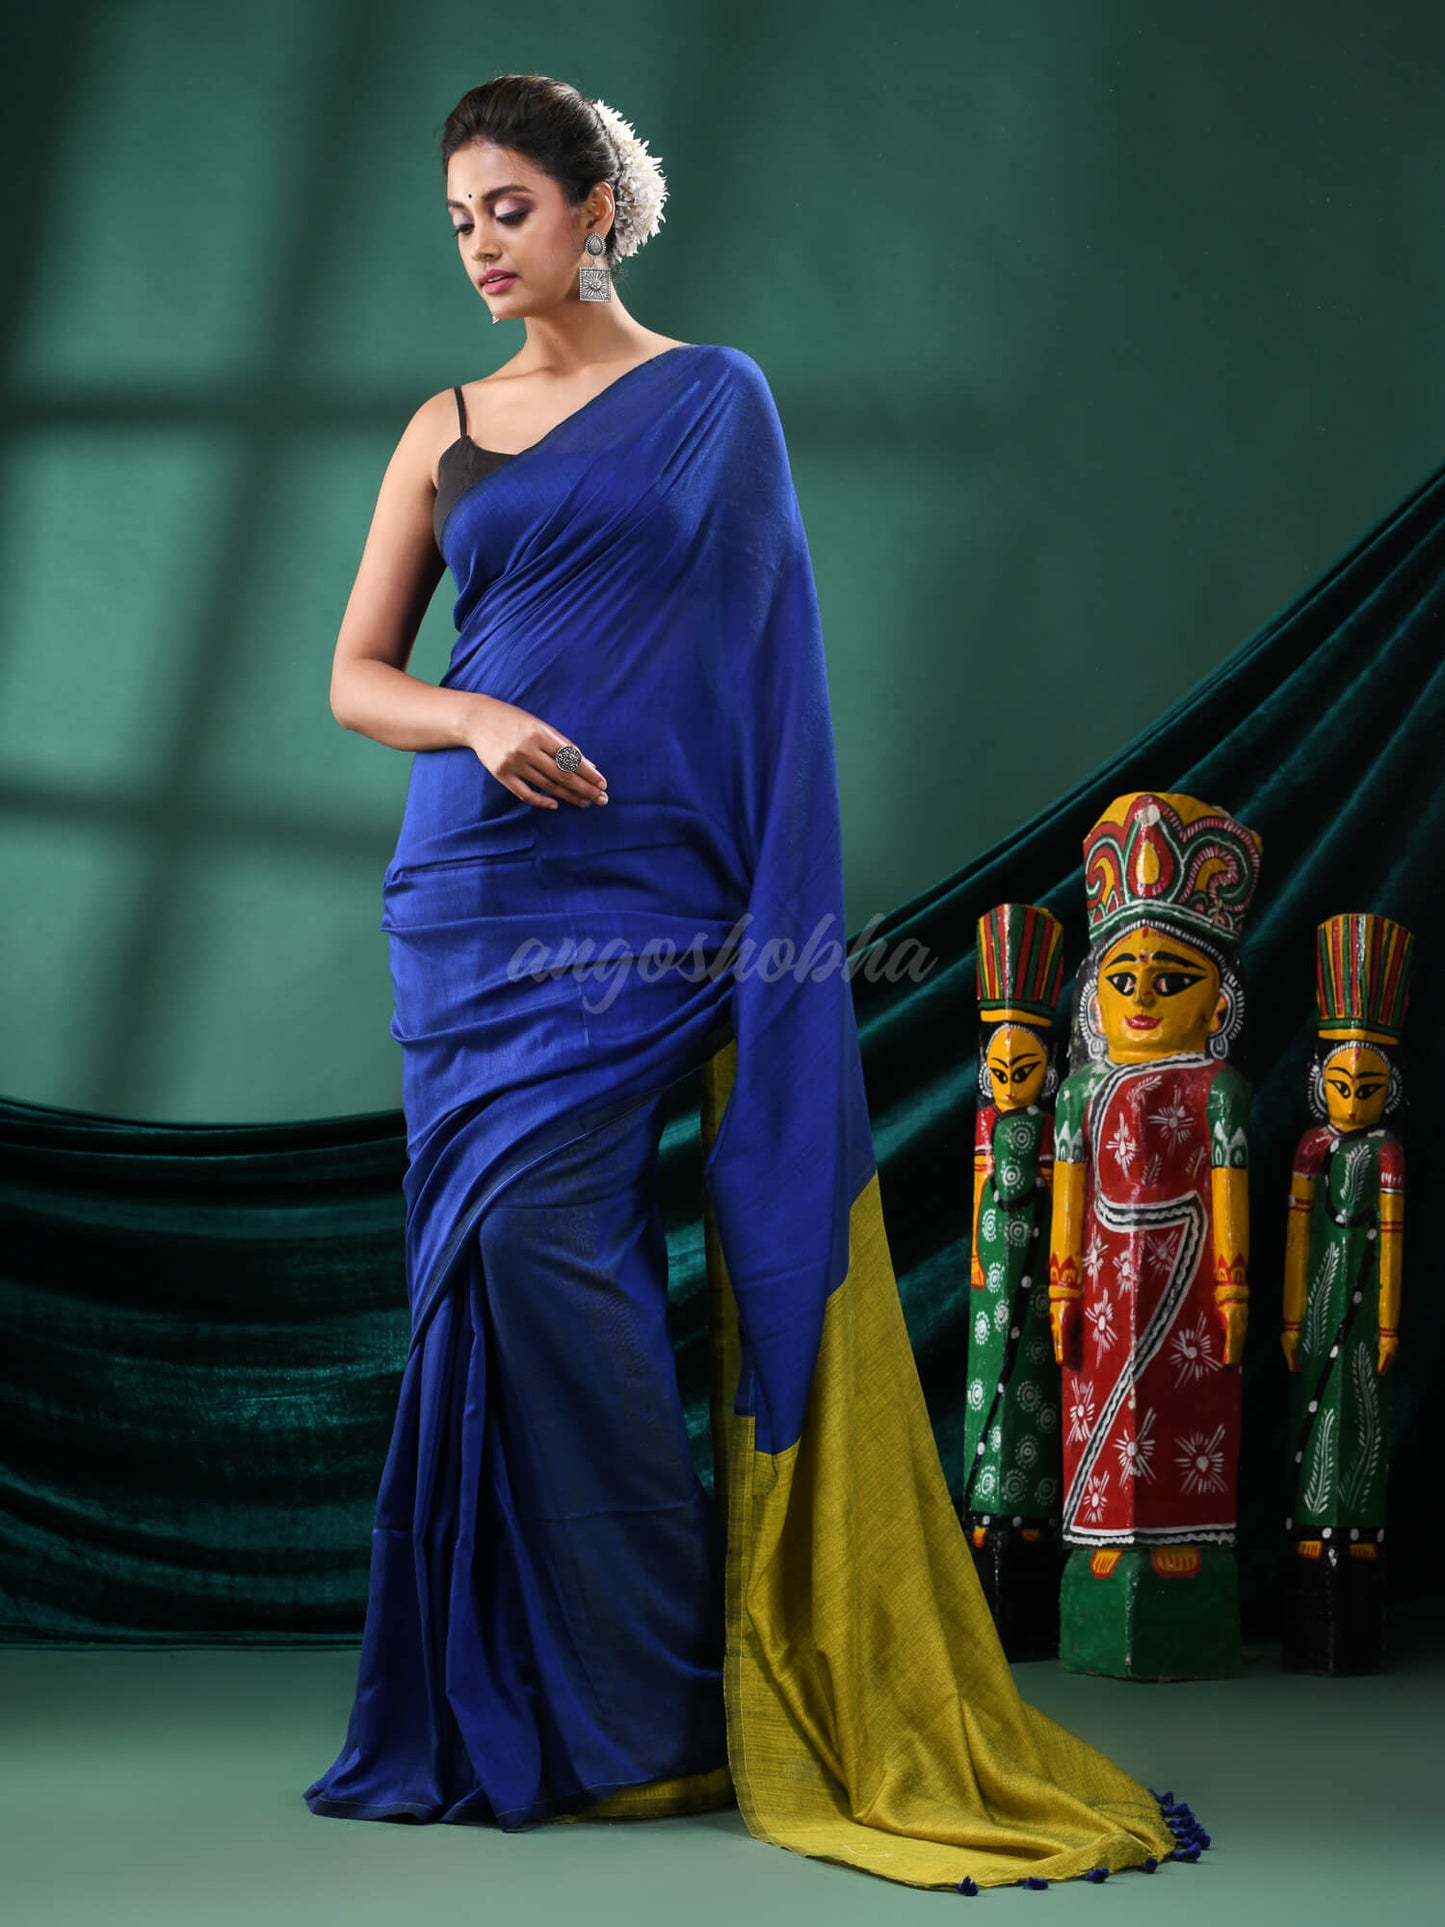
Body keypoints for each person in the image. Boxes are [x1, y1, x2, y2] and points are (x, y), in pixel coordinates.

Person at [302, 72, 1183, 1891]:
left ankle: (660, 1697)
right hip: (472, 903)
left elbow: (767, 672)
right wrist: (473, 717)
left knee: (581, 1271)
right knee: (506, 1266)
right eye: (457, 218)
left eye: (508, 209)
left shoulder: (715, 400)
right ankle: (559, 1704)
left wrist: (763, 907)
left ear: (594, 208)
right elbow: (356, 676)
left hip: (663, 892)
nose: (478, 245)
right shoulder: (443, 427)